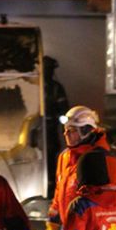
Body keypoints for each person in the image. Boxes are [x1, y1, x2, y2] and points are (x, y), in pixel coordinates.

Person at [46, 105, 116, 230]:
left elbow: (109, 202)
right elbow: (60, 191)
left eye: (71, 131)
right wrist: (53, 223)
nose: (66, 134)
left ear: (85, 131)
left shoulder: (100, 159)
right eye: (65, 130)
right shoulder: (65, 157)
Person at [43, 56, 70, 194]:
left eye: (49, 70)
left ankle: (51, 186)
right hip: (35, 130)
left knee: (51, 155)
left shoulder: (56, 88)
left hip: (50, 128)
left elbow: (64, 109)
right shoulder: (33, 85)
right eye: (46, 69)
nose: (48, 72)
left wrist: (64, 124)